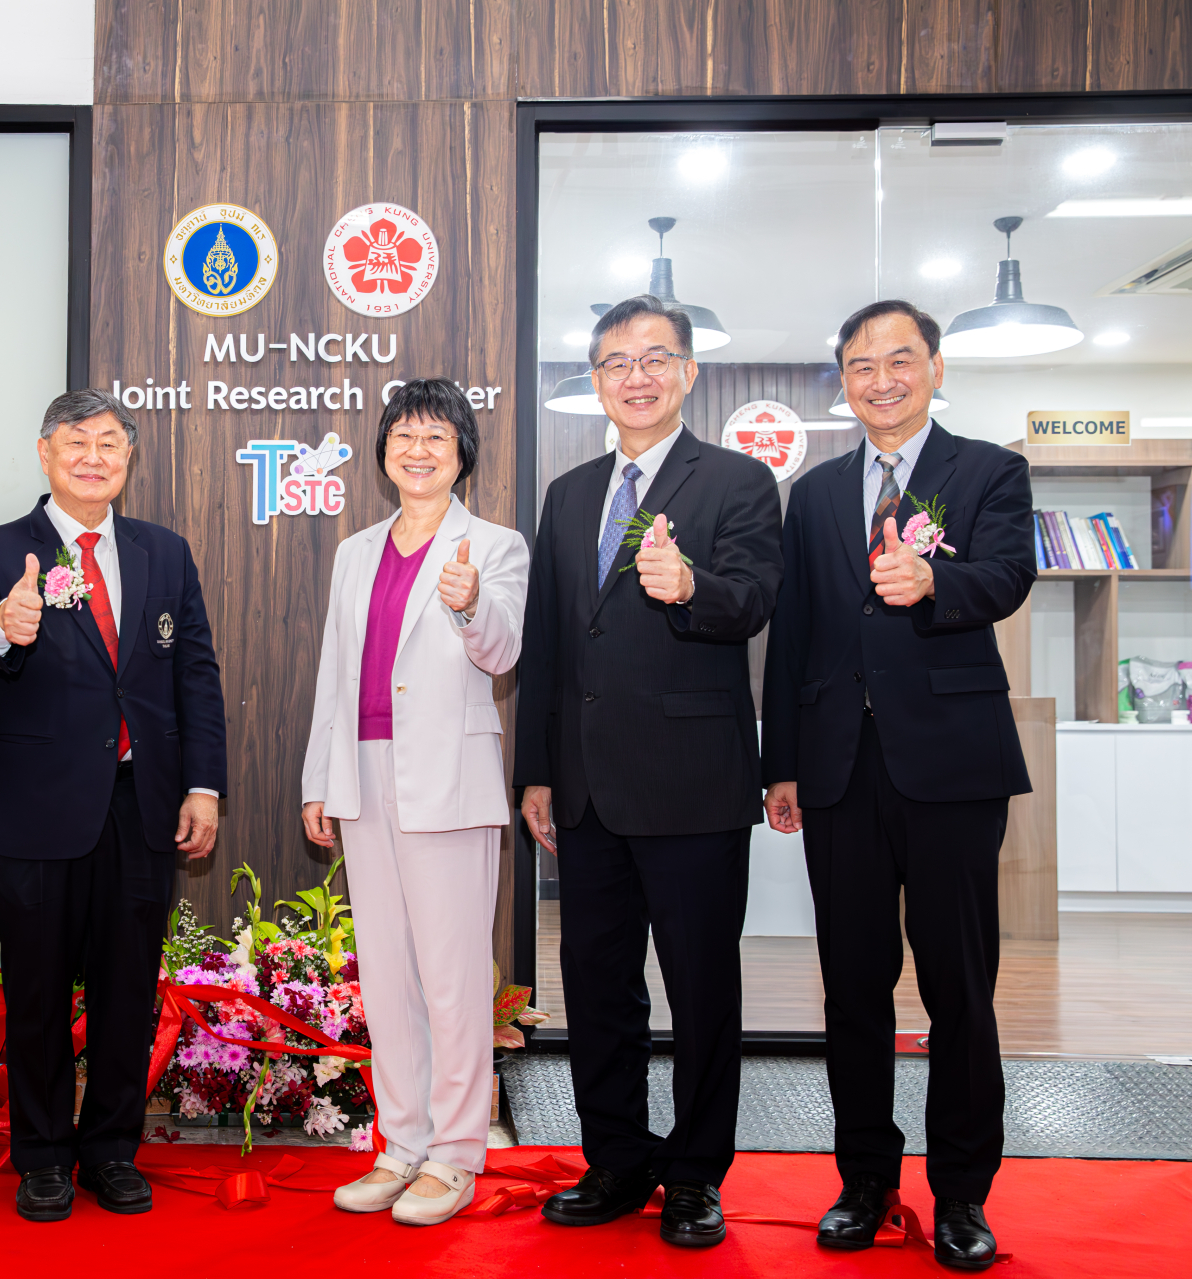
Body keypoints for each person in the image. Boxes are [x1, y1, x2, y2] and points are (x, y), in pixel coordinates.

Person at [762, 300, 1034, 1271]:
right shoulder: (818, 491)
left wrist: (937, 585)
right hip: (839, 768)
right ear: (843, 379)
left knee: (961, 985)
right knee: (854, 990)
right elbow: (792, 634)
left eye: (900, 359)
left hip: (953, 764)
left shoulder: (989, 469)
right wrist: (781, 760)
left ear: (935, 366)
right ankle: (865, 1178)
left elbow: (1007, 575)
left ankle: (962, 1193)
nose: (881, 378)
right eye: (861, 364)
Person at [515, 294, 782, 1248]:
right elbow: (549, 638)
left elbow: (752, 600)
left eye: (655, 358)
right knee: (597, 985)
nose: (636, 374)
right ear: (595, 382)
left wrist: (691, 587)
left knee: (703, 988)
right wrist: (538, 769)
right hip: (585, 788)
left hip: (693, 783)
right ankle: (617, 1158)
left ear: (688, 374)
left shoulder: (739, 482)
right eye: (616, 362)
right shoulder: (571, 491)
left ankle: (698, 1174)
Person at [0, 388, 227, 1223]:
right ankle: (41, 1155)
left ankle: (110, 1149)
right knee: (34, 990)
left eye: (110, 441)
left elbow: (195, 674)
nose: (94, 455)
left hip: (142, 805)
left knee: (125, 988)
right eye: (77, 441)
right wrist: (6, 617)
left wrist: (202, 784)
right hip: (37, 811)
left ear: (128, 458)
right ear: (44, 453)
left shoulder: (163, 552)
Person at [299, 378, 528, 1226]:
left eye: (437, 436)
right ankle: (400, 1144)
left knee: (452, 976)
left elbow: (502, 652)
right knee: (388, 975)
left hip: (448, 780)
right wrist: (318, 777)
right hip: (362, 772)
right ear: (384, 450)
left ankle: (458, 1152)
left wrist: (470, 607)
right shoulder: (355, 549)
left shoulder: (495, 545)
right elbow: (335, 670)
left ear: (463, 451)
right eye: (404, 435)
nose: (419, 450)